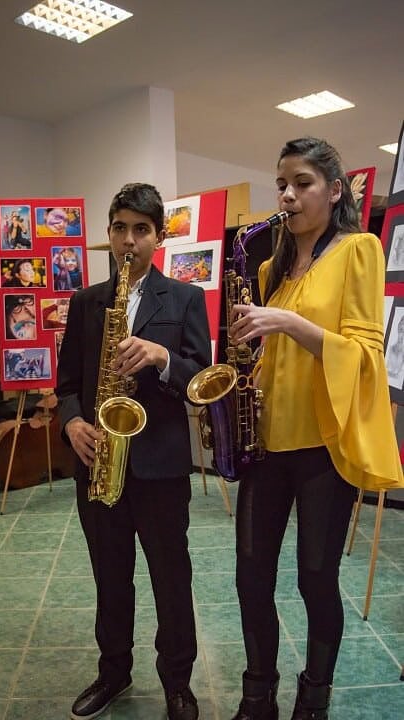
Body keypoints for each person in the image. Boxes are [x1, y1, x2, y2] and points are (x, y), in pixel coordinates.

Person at [228, 137, 404, 720]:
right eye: (282, 183)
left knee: (315, 578)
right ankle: (257, 695)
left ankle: (314, 696)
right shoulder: (271, 267)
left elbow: (365, 355)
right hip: (266, 443)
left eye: (302, 183)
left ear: (334, 191)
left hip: (324, 446)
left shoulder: (359, 249)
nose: (288, 195)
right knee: (250, 577)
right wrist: (249, 358)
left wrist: (287, 322)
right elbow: (274, 357)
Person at [56, 182, 211, 720]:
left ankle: (178, 682)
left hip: (161, 469)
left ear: (158, 236)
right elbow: (67, 384)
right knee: (110, 578)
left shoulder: (186, 298)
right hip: (99, 464)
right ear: (109, 232)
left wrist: (162, 357)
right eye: (120, 228)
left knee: (172, 580)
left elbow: (200, 378)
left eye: (141, 230)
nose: (129, 240)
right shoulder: (85, 302)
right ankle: (113, 673)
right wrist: (73, 422)